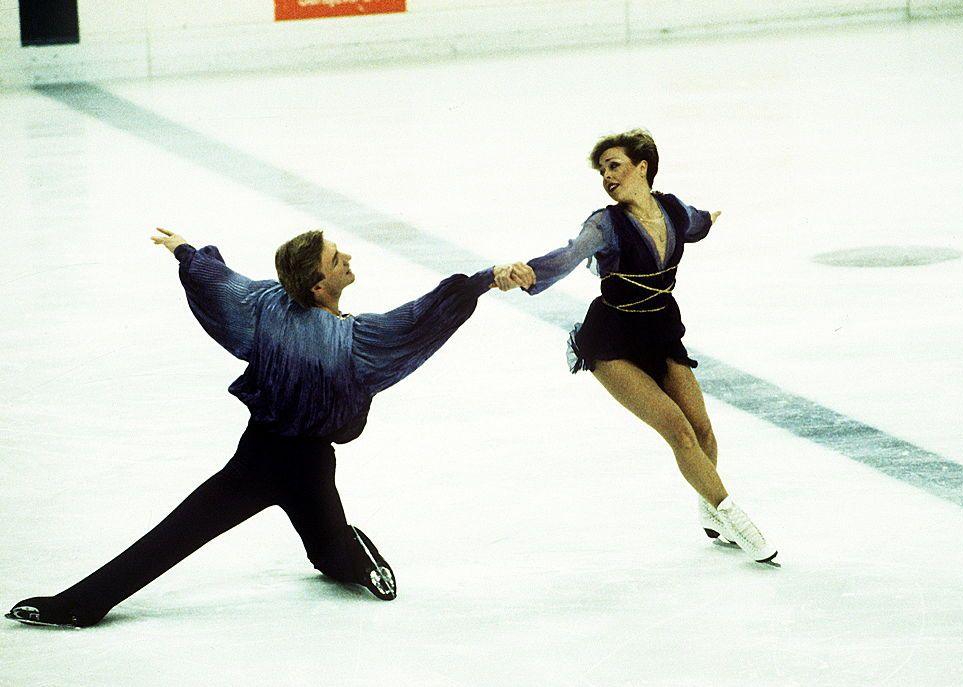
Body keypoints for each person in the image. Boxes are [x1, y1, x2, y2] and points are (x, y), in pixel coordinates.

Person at [7, 228, 525, 628]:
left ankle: (355, 554)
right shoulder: (353, 339)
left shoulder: (264, 305)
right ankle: (79, 604)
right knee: (180, 533)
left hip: (302, 462)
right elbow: (425, 314)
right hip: (264, 461)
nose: (347, 258)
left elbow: (216, 280)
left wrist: (185, 249)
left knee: (327, 556)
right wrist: (483, 280)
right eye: (335, 258)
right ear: (320, 284)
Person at [507, 129, 777, 564]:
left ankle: (711, 512)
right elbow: (570, 255)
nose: (607, 177)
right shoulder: (605, 225)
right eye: (602, 171)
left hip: (661, 330)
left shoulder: (671, 209)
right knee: (678, 431)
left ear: (642, 167)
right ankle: (737, 519)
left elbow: (696, 220)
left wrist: (714, 216)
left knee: (703, 430)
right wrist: (532, 274)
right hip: (612, 339)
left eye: (614, 166)